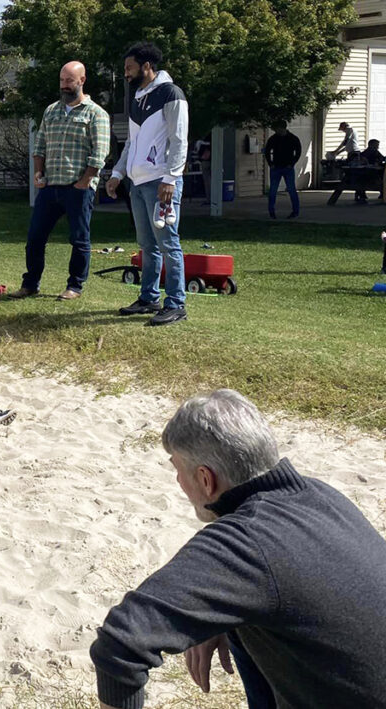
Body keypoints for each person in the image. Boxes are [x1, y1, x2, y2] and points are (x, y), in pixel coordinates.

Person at [90, 389, 386, 709]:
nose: (177, 480)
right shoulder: (319, 495)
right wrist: (216, 615)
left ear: (206, 479)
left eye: (177, 469)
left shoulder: (246, 542)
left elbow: (119, 644)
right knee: (245, 623)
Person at [105, 42, 190, 327]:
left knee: (168, 243)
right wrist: (118, 173)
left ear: (147, 66)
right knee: (146, 245)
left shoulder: (171, 94)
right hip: (138, 183)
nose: (126, 74)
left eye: (129, 68)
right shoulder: (138, 98)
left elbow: (179, 140)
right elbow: (131, 142)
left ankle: (176, 303)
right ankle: (149, 298)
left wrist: (171, 178)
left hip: (161, 182)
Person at [10, 61, 110, 302]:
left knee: (79, 239)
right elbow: (40, 145)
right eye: (62, 80)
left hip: (78, 188)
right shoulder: (51, 110)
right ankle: (30, 284)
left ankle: (75, 285)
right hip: (50, 186)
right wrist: (37, 173)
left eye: (69, 81)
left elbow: (100, 152)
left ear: (82, 81)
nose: (64, 86)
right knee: (35, 237)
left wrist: (86, 181)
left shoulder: (96, 113)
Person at [264, 121, 302, 219]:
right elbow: (267, 151)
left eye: (277, 129)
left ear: (282, 128)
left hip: (288, 167)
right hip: (276, 167)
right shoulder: (273, 139)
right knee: (273, 190)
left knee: (291, 189)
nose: (276, 131)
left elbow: (298, 152)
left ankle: (295, 211)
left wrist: (292, 163)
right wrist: (270, 164)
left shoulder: (293, 138)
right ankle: (271, 212)